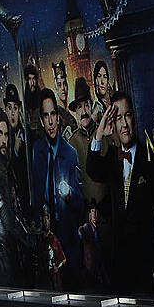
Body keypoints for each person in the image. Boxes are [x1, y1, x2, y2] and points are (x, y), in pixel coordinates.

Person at [86, 91, 154, 294]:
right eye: (118, 117)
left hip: (145, 269)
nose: (124, 124)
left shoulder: (150, 161)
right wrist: (99, 133)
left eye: (128, 115)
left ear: (134, 117)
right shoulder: (112, 159)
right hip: (118, 270)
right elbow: (93, 169)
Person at [30, 88, 84, 287]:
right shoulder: (37, 150)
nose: (51, 121)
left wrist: (69, 194)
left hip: (67, 236)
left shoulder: (69, 153)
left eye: (53, 114)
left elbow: (80, 204)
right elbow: (35, 192)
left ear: (58, 118)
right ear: (42, 120)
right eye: (46, 115)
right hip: (45, 235)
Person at [0, 108, 32, 286]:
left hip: (11, 250)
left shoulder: (4, 165)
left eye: (7, 134)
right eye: (0, 133)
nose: (4, 140)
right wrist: (27, 238)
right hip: (1, 252)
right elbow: (6, 217)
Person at [67, 78, 107, 211]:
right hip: (84, 212)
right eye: (79, 106)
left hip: (108, 210)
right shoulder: (72, 143)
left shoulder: (104, 134)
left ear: (92, 106)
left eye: (86, 105)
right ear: (76, 112)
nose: (83, 111)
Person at [2, 83, 30, 219]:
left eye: (15, 108)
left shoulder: (26, 134)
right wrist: (14, 150)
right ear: (5, 109)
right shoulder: (2, 136)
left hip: (27, 196)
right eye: (9, 108)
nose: (13, 112)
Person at [52, 61, 77, 139]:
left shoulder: (69, 115)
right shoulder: (56, 114)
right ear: (56, 88)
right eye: (59, 85)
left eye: (64, 84)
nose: (63, 88)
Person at [91, 60, 112, 125]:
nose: (102, 82)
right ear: (95, 81)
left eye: (105, 77)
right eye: (99, 76)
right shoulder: (96, 108)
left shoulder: (114, 101)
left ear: (108, 81)